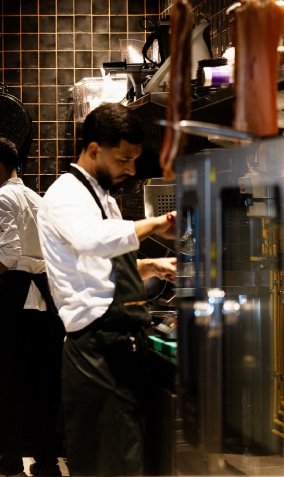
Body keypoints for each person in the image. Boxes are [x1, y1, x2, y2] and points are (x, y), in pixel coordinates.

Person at [37, 103, 177, 476]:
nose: (131, 169)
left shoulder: (102, 197)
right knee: (109, 464)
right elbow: (89, 240)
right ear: (94, 149)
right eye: (123, 159)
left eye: (135, 159)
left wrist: (152, 266)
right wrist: (154, 223)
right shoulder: (66, 194)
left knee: (125, 458)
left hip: (119, 345)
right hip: (96, 349)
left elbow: (99, 265)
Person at [0, 138, 64, 477]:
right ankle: (47, 464)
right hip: (44, 300)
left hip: (14, 298)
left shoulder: (0, 198)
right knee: (43, 387)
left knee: (6, 385)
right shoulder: (38, 199)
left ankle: (8, 465)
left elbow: (7, 255)